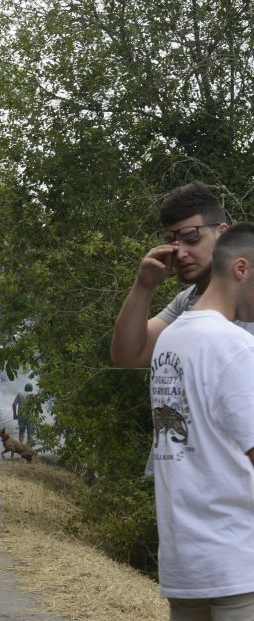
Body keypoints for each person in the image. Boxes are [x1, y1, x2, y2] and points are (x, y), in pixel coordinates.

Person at [148, 222, 254, 619]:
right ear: (241, 269)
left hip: (183, 562)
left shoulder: (171, 339)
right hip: (238, 561)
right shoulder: (238, 346)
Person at [111, 181, 230, 368]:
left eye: (192, 238)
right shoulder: (186, 302)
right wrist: (144, 285)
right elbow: (128, 355)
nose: (180, 253)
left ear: (222, 234)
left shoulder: (247, 294)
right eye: (170, 241)